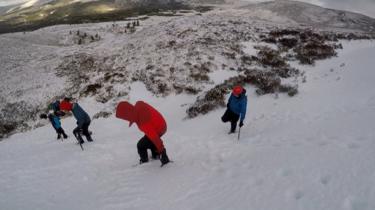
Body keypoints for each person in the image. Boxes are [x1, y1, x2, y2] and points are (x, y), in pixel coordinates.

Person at [116, 100, 170, 166]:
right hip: (161, 124)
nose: (125, 119)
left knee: (141, 145)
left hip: (159, 129)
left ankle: (144, 162)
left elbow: (154, 137)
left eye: (123, 117)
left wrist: (163, 153)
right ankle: (155, 155)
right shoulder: (139, 107)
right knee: (149, 140)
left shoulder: (143, 121)